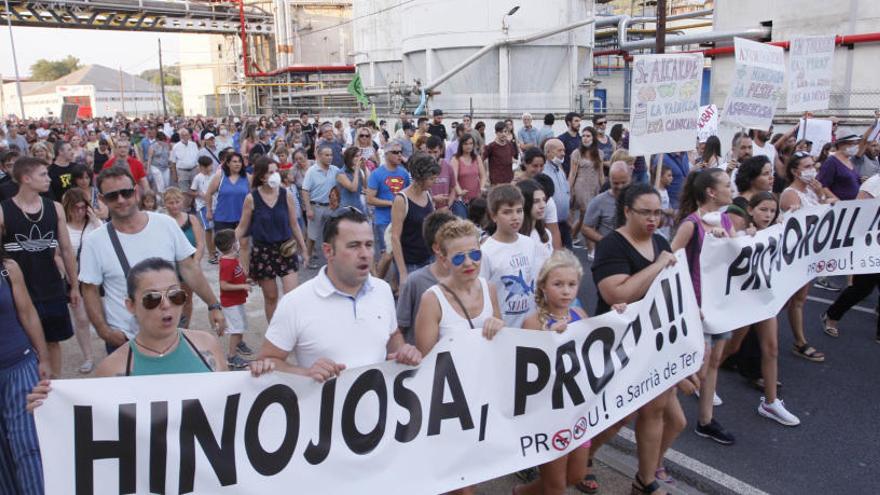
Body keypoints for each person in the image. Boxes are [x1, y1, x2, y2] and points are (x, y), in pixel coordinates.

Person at [256, 207, 422, 381]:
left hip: (377, 405)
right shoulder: (295, 303)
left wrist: (402, 351)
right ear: (328, 251)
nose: (365, 254)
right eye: (354, 246)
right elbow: (267, 360)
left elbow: (392, 334)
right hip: (321, 407)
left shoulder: (382, 290)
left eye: (369, 244)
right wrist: (305, 374)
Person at [589, 183, 679, 495]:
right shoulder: (612, 245)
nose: (653, 219)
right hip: (619, 342)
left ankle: (646, 477)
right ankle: (582, 456)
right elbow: (616, 293)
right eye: (646, 213)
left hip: (654, 340)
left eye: (658, 213)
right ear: (627, 211)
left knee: (666, 415)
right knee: (617, 416)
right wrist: (657, 267)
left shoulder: (661, 241)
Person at [78, 167, 225, 352]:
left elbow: (189, 269)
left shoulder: (165, 224)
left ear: (136, 192)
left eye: (126, 193)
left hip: (168, 332)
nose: (121, 200)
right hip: (125, 339)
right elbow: (89, 289)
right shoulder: (94, 241)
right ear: (101, 199)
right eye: (112, 196)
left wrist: (213, 305)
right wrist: (104, 331)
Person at [516, 250, 593, 495]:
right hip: (547, 413)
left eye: (572, 284)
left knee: (576, 474)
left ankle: (523, 492)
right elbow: (525, 371)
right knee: (556, 486)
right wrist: (550, 338)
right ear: (544, 286)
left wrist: (619, 315)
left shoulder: (580, 315)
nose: (566, 291)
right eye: (558, 284)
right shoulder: (532, 323)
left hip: (577, 410)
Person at [670, 169, 736, 445]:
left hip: (719, 304)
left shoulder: (725, 220)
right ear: (711, 192)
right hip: (696, 306)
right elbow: (670, 262)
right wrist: (685, 303)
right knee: (694, 366)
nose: (731, 189)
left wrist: (731, 239)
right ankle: (661, 407)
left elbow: (735, 256)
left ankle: (705, 420)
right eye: (726, 185)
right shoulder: (691, 225)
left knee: (714, 362)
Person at [724, 192, 801, 427]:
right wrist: (738, 238)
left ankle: (771, 402)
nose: (768, 215)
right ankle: (699, 378)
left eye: (772, 210)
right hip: (745, 299)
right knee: (732, 347)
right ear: (751, 210)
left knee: (772, 348)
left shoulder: (777, 231)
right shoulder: (742, 233)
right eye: (763, 210)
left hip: (765, 298)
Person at [0, 158, 79, 378]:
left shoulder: (55, 208)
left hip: (51, 286)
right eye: (43, 174)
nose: (49, 178)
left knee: (53, 341)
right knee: (26, 342)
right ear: (26, 178)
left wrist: (74, 285)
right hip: (19, 290)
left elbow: (66, 248)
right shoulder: (3, 210)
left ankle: (55, 387)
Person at [0, 243, 51, 494]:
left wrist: (43, 359)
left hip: (19, 367)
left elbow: (28, 313)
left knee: (29, 446)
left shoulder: (8, 269)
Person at [414, 218, 504, 360]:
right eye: (458, 258)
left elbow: (501, 342)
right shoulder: (432, 300)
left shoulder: (489, 289)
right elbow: (425, 361)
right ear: (444, 261)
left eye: (475, 255)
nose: (469, 263)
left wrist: (499, 327)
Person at [236, 157, 307, 321]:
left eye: (276, 171)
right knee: (271, 297)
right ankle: (274, 334)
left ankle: (292, 330)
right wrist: (228, 245)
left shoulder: (286, 194)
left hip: (286, 249)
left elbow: (294, 224)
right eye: (271, 172)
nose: (276, 175)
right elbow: (242, 226)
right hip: (263, 253)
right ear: (262, 176)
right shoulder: (251, 199)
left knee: (292, 296)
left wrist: (304, 248)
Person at [780, 152, 834, 362]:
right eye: (807, 166)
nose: (813, 169)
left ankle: (799, 341)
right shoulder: (790, 194)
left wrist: (821, 193)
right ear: (795, 171)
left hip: (809, 253)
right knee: (787, 300)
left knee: (798, 299)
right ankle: (798, 341)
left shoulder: (811, 191)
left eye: (813, 165)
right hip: (794, 255)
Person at [821, 171, 880, 343]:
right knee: (862, 288)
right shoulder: (875, 183)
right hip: (871, 244)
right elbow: (858, 212)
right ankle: (832, 315)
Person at [479, 185, 542, 328]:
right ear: (493, 215)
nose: (515, 217)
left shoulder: (529, 243)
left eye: (519, 211)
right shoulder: (486, 251)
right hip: (502, 329)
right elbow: (482, 294)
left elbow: (533, 282)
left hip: (529, 325)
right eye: (507, 212)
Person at [395, 211, 456, 342]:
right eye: (453, 240)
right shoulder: (415, 281)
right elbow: (400, 328)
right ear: (438, 248)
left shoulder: (465, 279)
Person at [62, 188, 101, 374]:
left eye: (83, 207)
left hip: (97, 278)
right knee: (82, 319)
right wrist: (69, 279)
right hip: (75, 278)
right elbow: (58, 255)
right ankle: (88, 356)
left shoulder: (93, 224)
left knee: (106, 316)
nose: (80, 212)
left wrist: (94, 218)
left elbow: (106, 240)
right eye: (76, 208)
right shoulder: (63, 227)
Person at [390, 153, 438, 284]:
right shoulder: (401, 199)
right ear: (421, 177)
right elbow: (395, 238)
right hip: (411, 263)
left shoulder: (427, 194)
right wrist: (402, 272)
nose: (435, 182)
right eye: (432, 179)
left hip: (429, 259)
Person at [163, 187, 205, 328]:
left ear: (182, 202)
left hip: (189, 265)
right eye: (170, 202)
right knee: (169, 301)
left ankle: (184, 330)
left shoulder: (191, 219)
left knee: (186, 299)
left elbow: (200, 243)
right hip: (169, 268)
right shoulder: (162, 221)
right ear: (165, 204)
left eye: (177, 201)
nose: (174, 205)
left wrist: (196, 263)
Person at [367, 139, 411, 261]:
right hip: (383, 220)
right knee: (386, 255)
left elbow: (407, 194)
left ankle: (396, 280)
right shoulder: (377, 174)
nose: (399, 155)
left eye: (400, 152)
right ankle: (379, 279)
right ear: (386, 154)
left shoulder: (404, 173)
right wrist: (392, 203)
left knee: (400, 253)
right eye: (395, 152)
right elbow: (370, 199)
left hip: (402, 219)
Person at [214, 229, 252, 369]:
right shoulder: (226, 263)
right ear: (232, 245)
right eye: (236, 241)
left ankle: (239, 344)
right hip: (231, 303)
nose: (238, 243)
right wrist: (242, 286)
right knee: (236, 328)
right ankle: (231, 356)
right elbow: (223, 285)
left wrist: (246, 281)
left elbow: (237, 276)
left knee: (241, 324)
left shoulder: (233, 258)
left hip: (237, 300)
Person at [568, 127, 604, 246]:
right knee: (586, 213)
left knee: (586, 216)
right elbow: (572, 173)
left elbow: (601, 173)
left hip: (595, 187)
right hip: (581, 187)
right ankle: (591, 247)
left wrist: (604, 189)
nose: (585, 138)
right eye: (583, 136)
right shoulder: (576, 153)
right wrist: (569, 190)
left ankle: (571, 237)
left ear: (593, 138)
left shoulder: (599, 153)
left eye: (588, 136)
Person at [583, 161, 631, 245]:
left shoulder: (638, 199)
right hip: (608, 253)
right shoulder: (599, 201)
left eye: (624, 183)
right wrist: (605, 241)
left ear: (630, 178)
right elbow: (586, 228)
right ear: (609, 180)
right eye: (616, 183)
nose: (620, 187)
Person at [516, 179, 553, 272]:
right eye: (536, 201)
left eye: (544, 200)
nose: (542, 205)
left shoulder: (546, 234)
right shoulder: (515, 238)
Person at [542, 138, 573, 248]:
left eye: (563, 150)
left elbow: (566, 193)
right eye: (559, 150)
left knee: (569, 257)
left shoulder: (560, 171)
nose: (563, 154)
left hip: (564, 223)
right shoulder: (543, 172)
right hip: (550, 224)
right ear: (548, 152)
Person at [818, 133, 862, 202]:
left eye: (856, 144)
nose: (855, 147)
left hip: (853, 204)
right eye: (852, 144)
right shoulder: (831, 162)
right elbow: (822, 185)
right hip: (841, 207)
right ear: (841, 144)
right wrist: (837, 201)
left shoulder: (849, 160)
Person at [191, 156, 217, 263]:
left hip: (215, 205)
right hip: (203, 206)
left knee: (215, 229)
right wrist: (199, 194)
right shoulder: (198, 177)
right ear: (202, 167)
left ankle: (214, 250)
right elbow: (192, 191)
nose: (211, 167)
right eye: (208, 166)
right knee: (208, 229)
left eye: (211, 165)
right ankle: (211, 254)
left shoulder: (215, 176)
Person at [451, 134, 485, 204]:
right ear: (461, 145)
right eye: (465, 144)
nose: (468, 146)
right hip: (460, 199)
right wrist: (460, 192)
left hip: (476, 198)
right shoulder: (455, 159)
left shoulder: (477, 158)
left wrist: (481, 188)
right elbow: (454, 179)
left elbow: (483, 176)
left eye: (471, 143)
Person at [169, 128, 200, 195]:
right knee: (184, 192)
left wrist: (198, 170)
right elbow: (173, 162)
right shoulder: (176, 147)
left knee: (194, 190)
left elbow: (197, 158)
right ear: (180, 136)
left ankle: (193, 205)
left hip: (194, 170)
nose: (184, 136)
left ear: (189, 135)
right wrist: (174, 175)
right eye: (182, 135)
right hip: (182, 172)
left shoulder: (193, 145)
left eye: (186, 135)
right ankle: (185, 205)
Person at [336, 146, 367, 211]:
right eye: (356, 156)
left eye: (360, 156)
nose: (359, 158)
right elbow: (353, 188)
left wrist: (364, 169)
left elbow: (366, 187)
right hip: (346, 208)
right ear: (350, 158)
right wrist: (357, 169)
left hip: (359, 206)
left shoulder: (358, 171)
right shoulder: (341, 173)